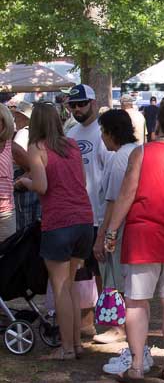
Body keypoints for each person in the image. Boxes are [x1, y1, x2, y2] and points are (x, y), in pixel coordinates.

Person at [104, 99, 164, 381]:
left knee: (136, 302)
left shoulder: (141, 153)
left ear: (157, 122)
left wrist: (111, 230)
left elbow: (126, 195)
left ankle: (136, 365)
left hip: (144, 235)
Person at [16, 102, 94, 360]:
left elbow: (41, 185)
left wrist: (25, 181)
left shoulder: (36, 148)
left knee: (60, 287)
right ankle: (77, 344)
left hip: (59, 222)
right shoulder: (72, 144)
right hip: (84, 219)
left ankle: (67, 348)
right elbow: (81, 181)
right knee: (69, 286)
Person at [90, 111, 148, 369]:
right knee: (134, 290)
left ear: (113, 132)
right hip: (137, 229)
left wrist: (103, 236)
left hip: (121, 230)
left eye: (103, 132)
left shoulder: (120, 158)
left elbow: (113, 202)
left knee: (122, 288)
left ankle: (132, 345)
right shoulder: (139, 151)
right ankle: (137, 346)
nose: (102, 138)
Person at [65, 84, 113, 335]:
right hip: (79, 214)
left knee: (105, 272)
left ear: (93, 103)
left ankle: (113, 323)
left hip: (103, 213)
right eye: (72, 105)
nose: (76, 109)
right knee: (82, 272)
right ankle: (86, 323)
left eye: (81, 103)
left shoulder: (104, 132)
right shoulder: (71, 134)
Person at [11, 101, 41, 231]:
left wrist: (16, 183)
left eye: (17, 116)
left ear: (23, 117)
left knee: (24, 228)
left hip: (24, 186)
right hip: (36, 184)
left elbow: (26, 162)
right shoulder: (36, 133)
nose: (15, 119)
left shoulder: (22, 133)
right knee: (34, 225)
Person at [0, 104, 16, 241]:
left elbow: (31, 168)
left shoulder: (10, 145)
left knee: (6, 256)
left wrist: (16, 183)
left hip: (5, 213)